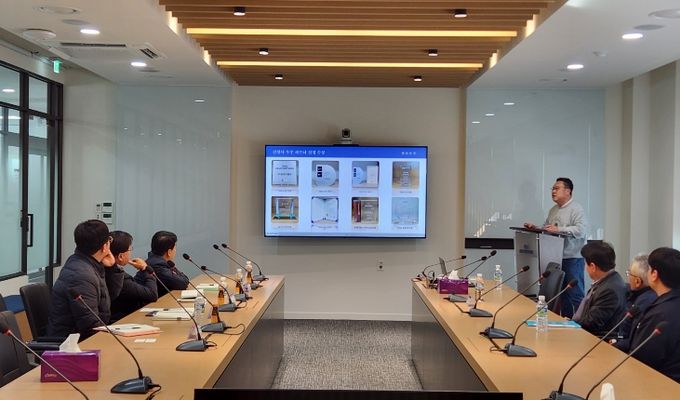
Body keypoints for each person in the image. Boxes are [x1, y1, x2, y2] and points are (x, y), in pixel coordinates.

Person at [524, 177, 588, 318]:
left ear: (568, 191)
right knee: (561, 295)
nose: (553, 191)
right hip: (556, 258)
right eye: (552, 189)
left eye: (556, 188)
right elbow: (549, 228)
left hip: (572, 258)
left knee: (574, 294)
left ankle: (580, 325)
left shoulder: (576, 208)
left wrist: (559, 229)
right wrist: (536, 228)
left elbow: (581, 230)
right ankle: (564, 322)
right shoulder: (553, 210)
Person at [48, 220, 115, 339]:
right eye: (109, 240)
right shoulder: (82, 276)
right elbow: (91, 326)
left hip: (81, 336)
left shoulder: (80, 262)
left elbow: (108, 299)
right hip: (72, 342)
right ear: (105, 247)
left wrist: (111, 267)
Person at [624, 247, 680, 382]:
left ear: (654, 274)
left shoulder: (660, 314)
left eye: (649, 269)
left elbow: (642, 359)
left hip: (659, 383)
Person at [571, 241, 626, 336]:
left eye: (585, 264)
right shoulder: (607, 280)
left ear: (593, 266)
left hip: (594, 339)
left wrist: (570, 325)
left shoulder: (609, 290)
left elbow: (591, 324)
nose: (585, 268)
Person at [105, 231, 158, 322]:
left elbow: (134, 285)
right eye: (130, 250)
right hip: (121, 322)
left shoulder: (106, 270)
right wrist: (145, 269)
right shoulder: (116, 277)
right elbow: (152, 295)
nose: (131, 253)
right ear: (120, 256)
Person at [613, 254, 656, 350]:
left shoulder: (644, 302)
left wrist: (615, 344)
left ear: (638, 282)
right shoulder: (634, 294)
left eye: (629, 273)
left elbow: (634, 339)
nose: (628, 277)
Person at [145, 230, 189, 296]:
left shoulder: (153, 261)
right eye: (175, 248)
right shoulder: (158, 266)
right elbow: (183, 283)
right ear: (169, 252)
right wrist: (174, 269)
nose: (175, 250)